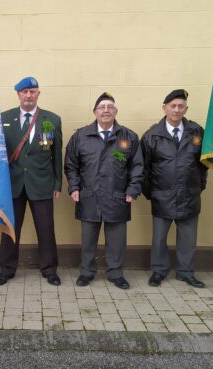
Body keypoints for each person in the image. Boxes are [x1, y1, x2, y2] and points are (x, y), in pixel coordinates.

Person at [64, 92, 143, 289]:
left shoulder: (129, 136)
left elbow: (138, 166)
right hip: (89, 196)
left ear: (116, 111)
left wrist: (133, 189)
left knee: (117, 240)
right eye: (102, 107)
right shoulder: (80, 136)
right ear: (95, 112)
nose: (106, 110)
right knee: (88, 239)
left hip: (118, 196)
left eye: (110, 107)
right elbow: (71, 164)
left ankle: (116, 274)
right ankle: (86, 272)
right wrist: (74, 187)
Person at [0, 77, 63, 287]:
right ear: (18, 95)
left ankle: (50, 270)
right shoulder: (4, 118)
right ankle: (6, 269)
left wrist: (57, 184)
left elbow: (56, 155)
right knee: (9, 228)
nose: (28, 95)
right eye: (24, 92)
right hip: (12, 184)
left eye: (32, 91)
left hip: (41, 183)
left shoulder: (52, 119)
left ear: (38, 94)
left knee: (46, 229)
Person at [141, 89, 207, 289]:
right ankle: (159, 271)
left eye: (181, 106)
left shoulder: (197, 132)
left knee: (188, 237)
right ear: (164, 108)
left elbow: (204, 164)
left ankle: (186, 272)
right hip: (162, 195)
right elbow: (143, 168)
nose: (177, 110)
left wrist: (198, 186)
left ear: (186, 109)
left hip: (189, 195)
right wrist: (151, 193)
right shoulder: (152, 135)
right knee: (159, 238)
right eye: (173, 106)